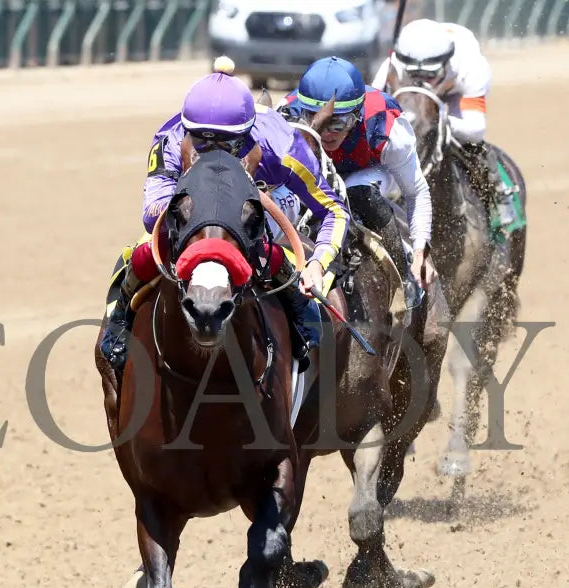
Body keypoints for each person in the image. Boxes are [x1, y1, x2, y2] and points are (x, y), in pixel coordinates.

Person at [99, 59, 351, 372]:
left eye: (228, 144)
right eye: (202, 142)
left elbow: (333, 210)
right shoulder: (171, 139)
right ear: (187, 131)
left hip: (262, 201)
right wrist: (194, 206)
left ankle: (300, 310)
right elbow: (153, 216)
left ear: (248, 134)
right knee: (140, 250)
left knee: (264, 248)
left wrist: (317, 263)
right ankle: (119, 317)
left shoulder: (282, 146)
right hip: (191, 214)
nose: (215, 151)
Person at [282, 56, 436, 294]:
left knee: (358, 193)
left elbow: (416, 192)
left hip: (368, 172)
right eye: (313, 119)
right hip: (316, 170)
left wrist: (419, 251)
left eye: (338, 123)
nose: (326, 133)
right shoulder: (283, 116)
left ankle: (405, 278)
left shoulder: (386, 123)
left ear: (357, 115)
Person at [371, 18, 517, 227]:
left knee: (468, 142)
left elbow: (475, 129)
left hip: (454, 93)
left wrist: (442, 122)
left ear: (446, 62)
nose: (423, 81)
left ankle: (498, 191)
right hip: (411, 93)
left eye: (430, 75)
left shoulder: (470, 68)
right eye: (415, 75)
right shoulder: (391, 67)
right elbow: (370, 112)